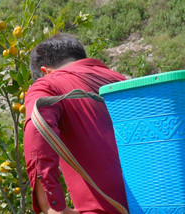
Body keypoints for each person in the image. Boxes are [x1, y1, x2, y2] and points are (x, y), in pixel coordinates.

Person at [24, 33, 128, 214]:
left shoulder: (48, 84)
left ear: (44, 71)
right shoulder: (122, 80)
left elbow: (37, 124)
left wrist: (51, 206)